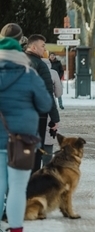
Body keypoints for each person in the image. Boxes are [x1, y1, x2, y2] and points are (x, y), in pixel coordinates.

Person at [0, 37, 52, 232]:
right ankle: (15, 229)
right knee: (17, 187)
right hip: (22, 139)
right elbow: (45, 104)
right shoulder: (29, 75)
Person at [25, 34, 60, 174]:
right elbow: (47, 94)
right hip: (37, 115)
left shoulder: (17, 61)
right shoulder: (40, 65)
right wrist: (55, 118)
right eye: (42, 46)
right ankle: (32, 186)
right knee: (35, 151)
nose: (44, 49)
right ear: (34, 47)